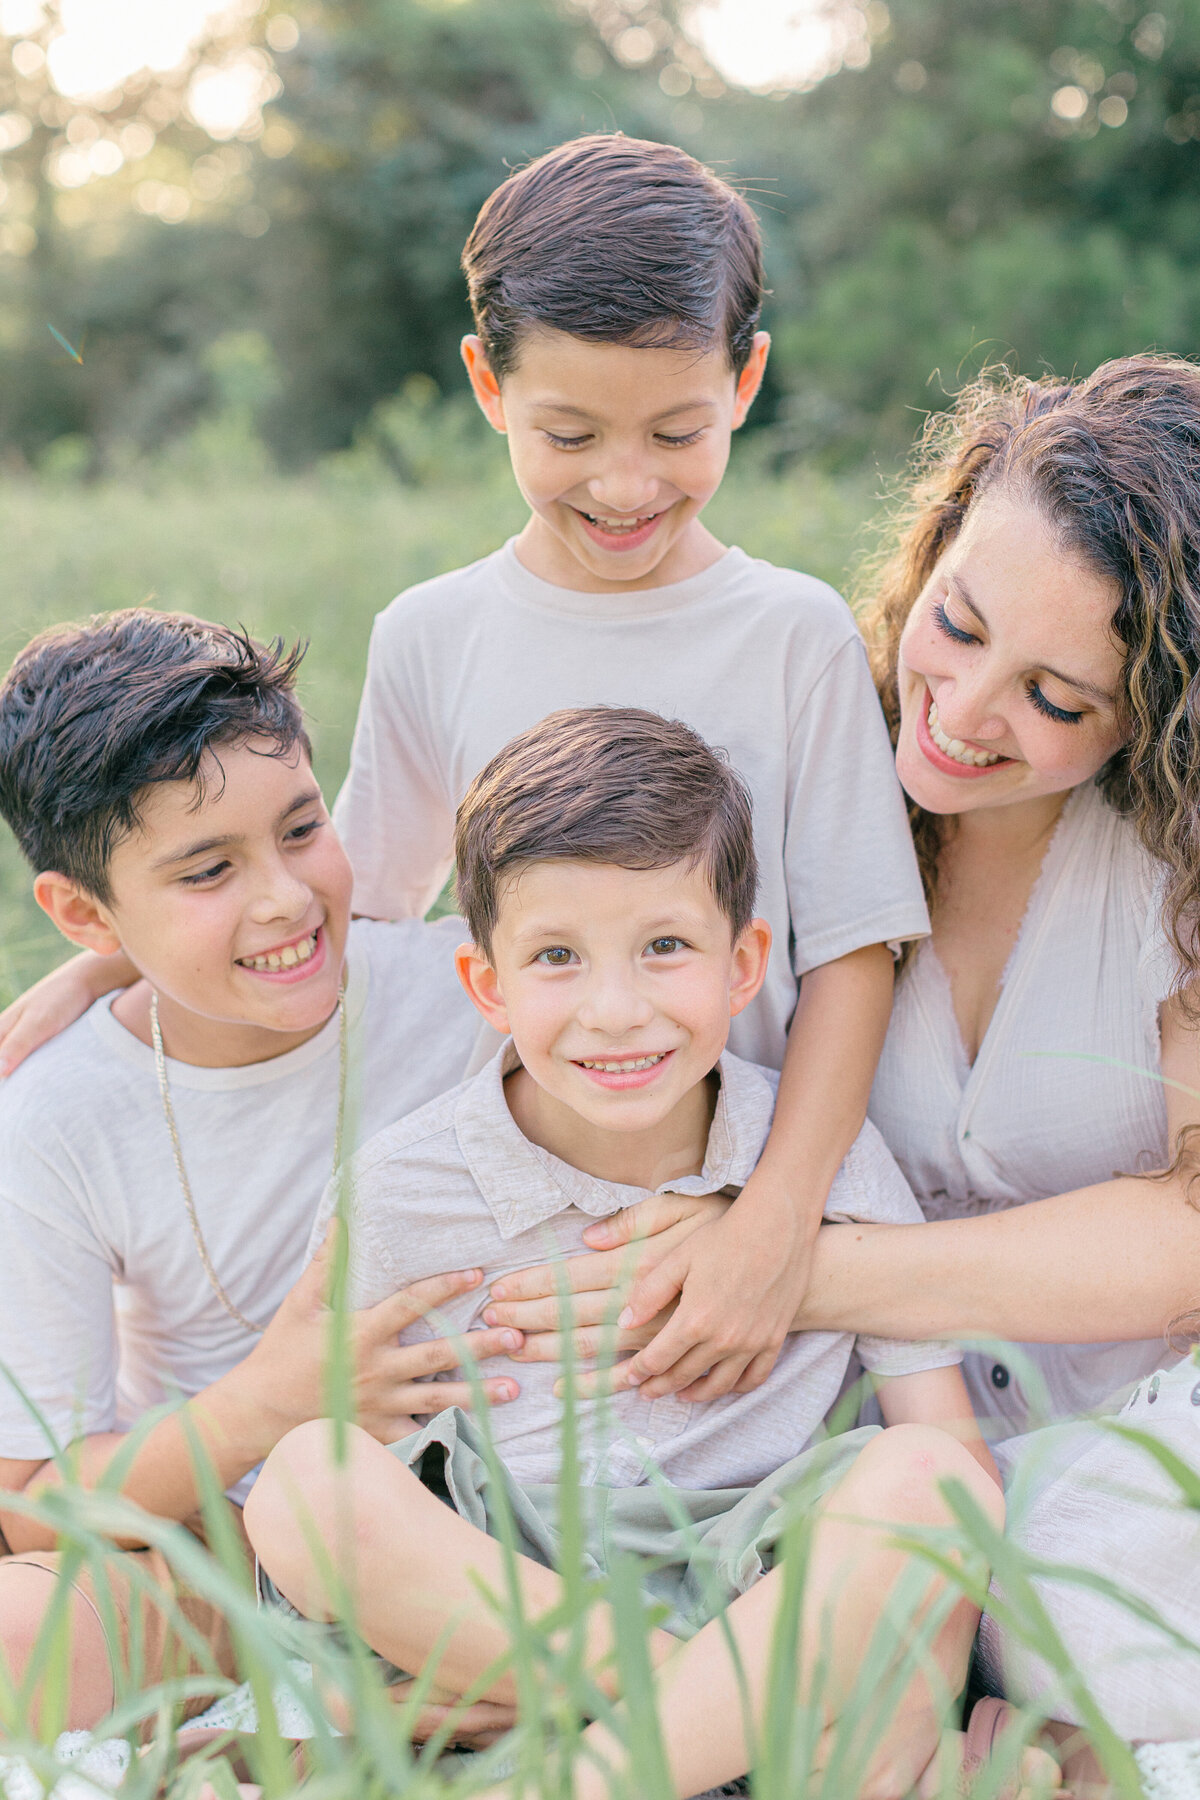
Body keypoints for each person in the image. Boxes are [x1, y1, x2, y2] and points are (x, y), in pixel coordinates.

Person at [486, 357, 1200, 1749]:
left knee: (1125, 1584)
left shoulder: (1170, 865)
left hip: (1137, 1417)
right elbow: (499, 896)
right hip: (856, 1433)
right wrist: (115, 969)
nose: (966, 709)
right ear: (930, 551)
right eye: (960, 624)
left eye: (1057, 700)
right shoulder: (789, 773)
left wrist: (792, 1263)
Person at [244, 705, 1046, 1800]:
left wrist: (926, 1682)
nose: (615, 1012)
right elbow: (354, 1455)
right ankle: (720, 1724)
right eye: (558, 958)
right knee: (302, 1482)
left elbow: (943, 1455)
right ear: (490, 986)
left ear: (743, 963)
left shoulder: (820, 1162)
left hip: (761, 1579)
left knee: (925, 1481)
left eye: (665, 947)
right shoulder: (403, 1187)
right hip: (512, 1594)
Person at [0, 609, 546, 1733]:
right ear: (83, 914)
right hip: (226, 1557)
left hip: (488, 1522)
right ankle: (396, 1703)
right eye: (209, 870)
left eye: (302, 830)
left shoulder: (469, 995)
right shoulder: (55, 1117)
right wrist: (269, 1402)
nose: (286, 898)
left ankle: (477, 1692)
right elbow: (37, 1506)